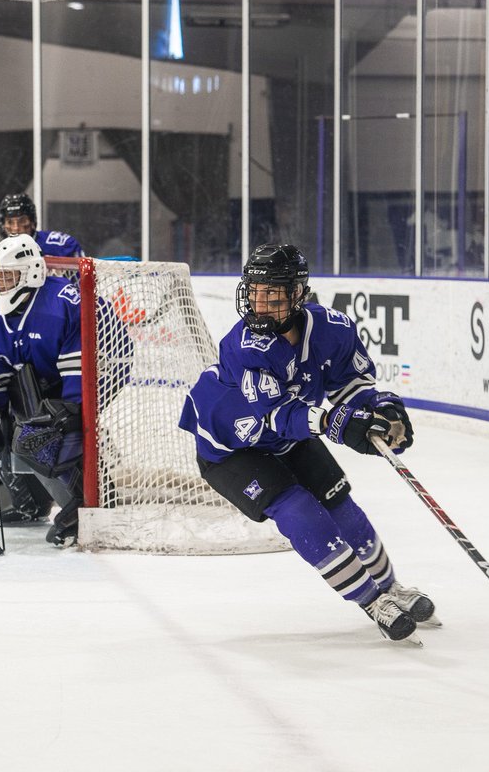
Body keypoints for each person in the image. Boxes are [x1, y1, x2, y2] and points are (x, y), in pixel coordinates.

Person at [178, 243, 436, 642]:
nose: (259, 304)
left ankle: (390, 587)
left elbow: (353, 385)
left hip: (288, 436)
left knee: (338, 500)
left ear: (298, 293)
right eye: (254, 292)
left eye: (272, 294)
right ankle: (371, 600)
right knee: (298, 508)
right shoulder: (243, 346)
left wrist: (383, 411)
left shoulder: (332, 329)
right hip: (230, 447)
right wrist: (336, 422)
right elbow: (276, 415)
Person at [0, 234, 86, 545]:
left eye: (8, 277)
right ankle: (32, 502)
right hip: (41, 374)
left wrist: (69, 417)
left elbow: (81, 379)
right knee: (3, 428)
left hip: (101, 368)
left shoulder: (62, 304)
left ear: (31, 273)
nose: (0, 285)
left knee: (44, 435)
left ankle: (83, 505)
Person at [0, 192, 84, 261]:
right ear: (3, 225)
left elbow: (84, 280)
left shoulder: (62, 245)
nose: (15, 227)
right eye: (10, 222)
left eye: (22, 221)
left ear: (32, 221)